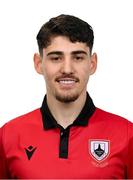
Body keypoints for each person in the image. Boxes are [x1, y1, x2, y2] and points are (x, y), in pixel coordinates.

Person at [0, 14, 133, 179]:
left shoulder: (127, 135)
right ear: (38, 63)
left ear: (92, 63)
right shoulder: (9, 136)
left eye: (78, 57)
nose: (67, 68)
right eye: (56, 58)